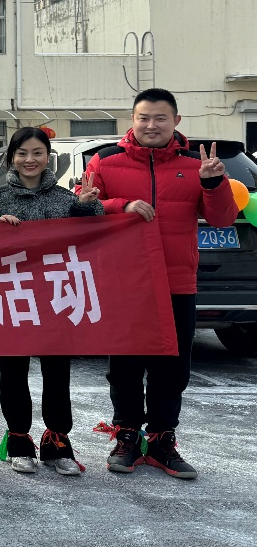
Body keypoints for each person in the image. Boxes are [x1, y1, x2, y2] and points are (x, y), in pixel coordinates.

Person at [83, 88, 236, 479]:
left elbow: (222, 220)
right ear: (132, 120)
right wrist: (121, 206)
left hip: (176, 281)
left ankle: (162, 441)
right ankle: (127, 436)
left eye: (160, 118)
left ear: (176, 121)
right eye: (144, 118)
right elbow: (83, 209)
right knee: (125, 366)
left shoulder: (196, 164)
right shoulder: (105, 161)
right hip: (125, 281)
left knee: (173, 367)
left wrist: (214, 185)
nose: (151, 125)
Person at [0, 127, 103, 476]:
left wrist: (89, 207)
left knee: (57, 371)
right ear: (12, 158)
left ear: (48, 157)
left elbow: (93, 235)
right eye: (22, 153)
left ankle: (58, 442)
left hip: (56, 297)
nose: (30, 160)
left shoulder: (66, 198)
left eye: (38, 153)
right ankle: (18, 440)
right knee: (13, 370)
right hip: (13, 296)